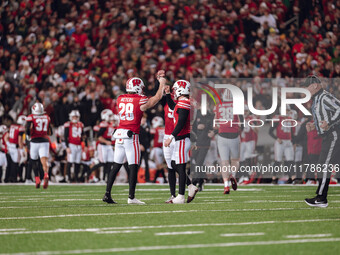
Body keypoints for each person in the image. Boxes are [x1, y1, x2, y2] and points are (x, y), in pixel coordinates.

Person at [103, 71, 166, 205]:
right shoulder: (139, 99)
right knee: (133, 166)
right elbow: (156, 98)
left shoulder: (120, 98)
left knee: (116, 166)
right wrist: (161, 83)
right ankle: (131, 197)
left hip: (119, 134)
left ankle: (107, 193)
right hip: (131, 136)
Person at [303, 75, 340, 208]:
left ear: (314, 86)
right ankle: (320, 197)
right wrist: (314, 125)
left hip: (334, 134)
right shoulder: (317, 99)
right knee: (322, 165)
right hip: (327, 135)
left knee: (325, 165)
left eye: (307, 87)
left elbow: (339, 109)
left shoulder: (324, 97)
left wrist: (329, 123)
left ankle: (321, 197)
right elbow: (323, 117)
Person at [164, 80, 198, 204]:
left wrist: (170, 137)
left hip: (182, 138)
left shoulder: (184, 103)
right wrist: (167, 94)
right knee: (174, 164)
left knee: (181, 166)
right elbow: (173, 108)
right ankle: (190, 186)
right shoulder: (182, 102)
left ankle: (181, 196)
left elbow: (181, 122)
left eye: (174, 90)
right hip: (182, 138)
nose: (173, 92)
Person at [214, 89, 241, 194]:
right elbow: (240, 121)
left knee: (224, 162)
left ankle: (226, 186)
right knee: (235, 160)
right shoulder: (236, 106)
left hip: (222, 136)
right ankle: (233, 175)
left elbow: (215, 124)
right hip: (234, 136)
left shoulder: (218, 106)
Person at [25, 102, 53, 189]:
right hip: (45, 141)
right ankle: (46, 174)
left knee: (34, 161)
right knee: (44, 161)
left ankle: (37, 179)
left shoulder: (31, 117)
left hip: (34, 141)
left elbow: (27, 131)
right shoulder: (47, 117)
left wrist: (29, 134)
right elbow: (50, 132)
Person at [64, 110, 86, 183]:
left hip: (79, 145)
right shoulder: (68, 124)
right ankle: (69, 178)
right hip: (71, 144)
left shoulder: (81, 124)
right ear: (71, 117)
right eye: (74, 116)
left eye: (76, 116)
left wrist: (84, 142)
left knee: (77, 162)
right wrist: (67, 147)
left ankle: (76, 178)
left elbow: (83, 135)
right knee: (70, 162)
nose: (75, 118)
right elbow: (65, 136)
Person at [7, 115, 26, 182]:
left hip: (10, 146)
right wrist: (21, 149)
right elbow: (19, 140)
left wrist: (8, 144)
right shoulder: (21, 127)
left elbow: (8, 136)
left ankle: (9, 178)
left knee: (11, 163)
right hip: (15, 147)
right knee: (16, 163)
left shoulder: (12, 126)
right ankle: (13, 178)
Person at [150, 116, 167, 183]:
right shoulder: (164, 129)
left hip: (157, 148)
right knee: (160, 165)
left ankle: (163, 179)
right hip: (163, 148)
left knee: (159, 165)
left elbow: (151, 136)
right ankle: (157, 179)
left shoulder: (155, 129)